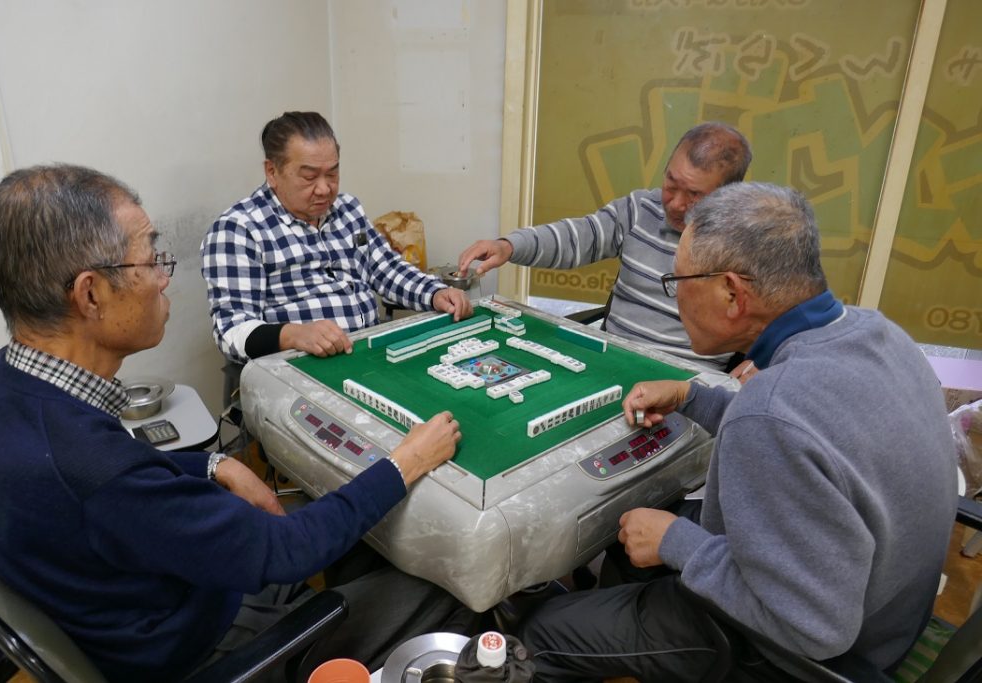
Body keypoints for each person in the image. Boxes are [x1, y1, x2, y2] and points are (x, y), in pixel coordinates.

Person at [0, 164, 472, 683]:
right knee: (449, 587)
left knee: (361, 538)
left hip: (137, 602)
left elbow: (116, 477)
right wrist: (405, 462)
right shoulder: (98, 473)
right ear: (90, 295)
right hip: (202, 643)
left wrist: (213, 464)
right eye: (150, 260)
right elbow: (286, 550)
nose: (164, 278)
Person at [519, 182, 958, 682]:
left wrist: (677, 543)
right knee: (631, 540)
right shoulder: (878, 333)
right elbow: (815, 437)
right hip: (890, 616)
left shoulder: (770, 411)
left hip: (805, 656)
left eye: (677, 280)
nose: (674, 296)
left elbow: (814, 629)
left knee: (540, 633)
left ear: (731, 293)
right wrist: (692, 397)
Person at [458, 121, 752, 372]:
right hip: (612, 363)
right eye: (670, 183)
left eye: (694, 195)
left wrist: (755, 366)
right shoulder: (640, 209)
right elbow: (577, 236)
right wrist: (510, 246)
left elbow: (775, 324)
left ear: (728, 195)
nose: (675, 203)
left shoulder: (751, 244)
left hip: (689, 385)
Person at [202, 111, 472, 364]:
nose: (324, 189)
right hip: (302, 367)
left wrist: (435, 293)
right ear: (272, 172)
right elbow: (232, 331)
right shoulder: (239, 229)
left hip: (366, 353)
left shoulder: (347, 209)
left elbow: (386, 269)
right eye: (309, 177)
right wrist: (292, 334)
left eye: (332, 173)